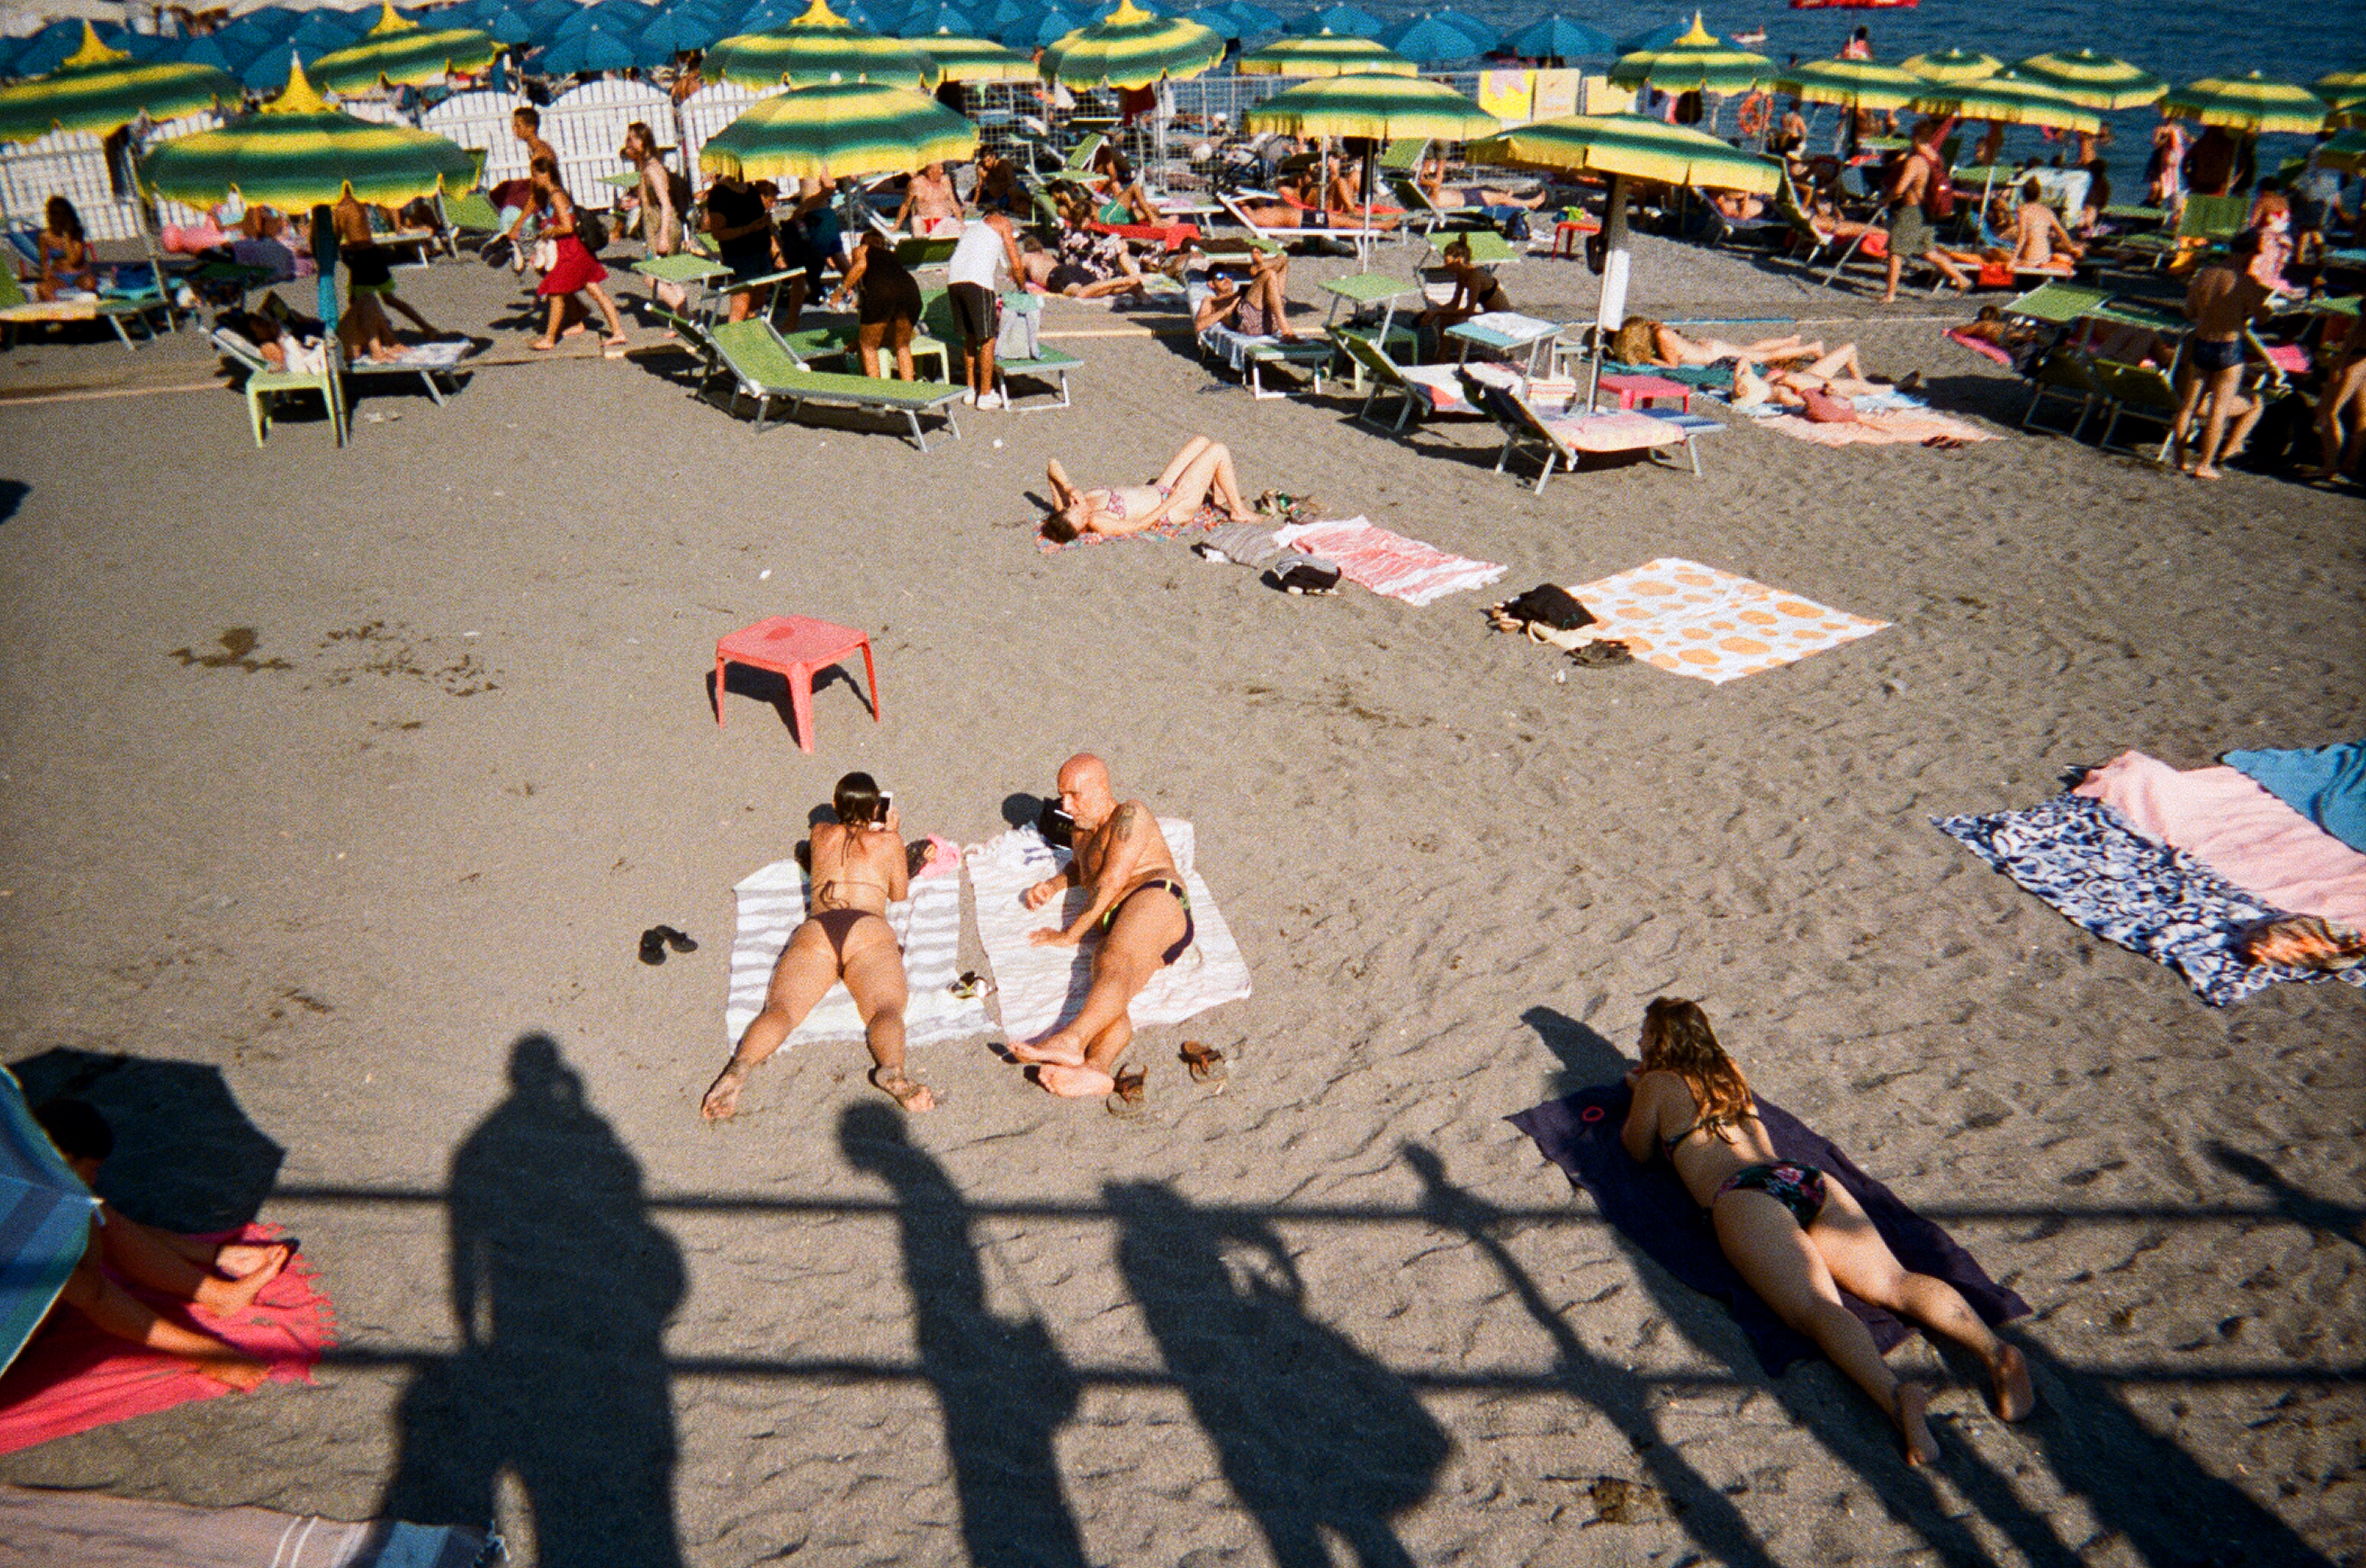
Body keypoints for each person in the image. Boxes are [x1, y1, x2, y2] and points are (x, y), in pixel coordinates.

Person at [1619, 998, 2034, 1465]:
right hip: (1801, 1178)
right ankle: (1996, 1351)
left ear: (1660, 1040)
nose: (1638, 1040)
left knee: (1817, 1308)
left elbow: (1637, 1150)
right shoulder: (1728, 1070)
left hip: (1743, 1194)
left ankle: (1895, 1397)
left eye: (1644, 1033)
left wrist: (1638, 1092)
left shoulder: (1656, 1083)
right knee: (1894, 1282)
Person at [701, 773, 934, 1118]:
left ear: (836, 804)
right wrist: (892, 835)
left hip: (819, 930)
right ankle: (891, 1070)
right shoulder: (889, 842)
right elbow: (899, 895)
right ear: (876, 808)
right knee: (885, 1010)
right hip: (867, 930)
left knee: (781, 1010)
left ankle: (739, 1069)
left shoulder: (819, 833)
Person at [31, 1098, 292, 1390]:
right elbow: (92, 1291)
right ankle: (205, 1349)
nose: (95, 1178)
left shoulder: (20, 1179)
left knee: (92, 1209)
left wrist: (218, 1255)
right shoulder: (18, 1230)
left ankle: (217, 1290)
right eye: (92, 1169)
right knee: (75, 1236)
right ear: (64, 1157)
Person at [1005, 754, 1194, 1099]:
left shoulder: (1130, 815)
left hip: (1154, 895)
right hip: (1121, 920)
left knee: (1114, 959)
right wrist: (1053, 885)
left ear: (1101, 787)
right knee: (1110, 987)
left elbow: (1111, 881)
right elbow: (1085, 870)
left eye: (1074, 795)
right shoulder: (1080, 832)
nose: (1066, 805)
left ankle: (1071, 1039)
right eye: (1062, 795)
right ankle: (1096, 1067)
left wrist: (1071, 934)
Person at [2171, 230, 2276, 479]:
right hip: (2228, 346)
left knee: (2188, 406)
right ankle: (2205, 464)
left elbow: (2189, 311)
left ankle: (2179, 459)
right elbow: (2262, 317)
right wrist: (2267, 306)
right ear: (2252, 252)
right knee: (2219, 409)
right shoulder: (2246, 282)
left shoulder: (2204, 274)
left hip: (2202, 341)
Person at [1040, 435, 1258, 542]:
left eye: (1074, 511)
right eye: (1081, 519)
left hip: (1160, 488)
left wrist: (1070, 488)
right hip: (1173, 507)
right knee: (1218, 450)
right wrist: (1173, 500)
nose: (1082, 511)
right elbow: (1139, 526)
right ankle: (1238, 510)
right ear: (1080, 530)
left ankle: (1219, 496)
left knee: (1202, 441)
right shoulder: (1099, 521)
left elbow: (1052, 466)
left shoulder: (1076, 501)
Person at [528, 156, 628, 351]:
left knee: (556, 292)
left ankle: (549, 338)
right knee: (595, 291)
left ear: (546, 174)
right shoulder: (557, 193)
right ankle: (616, 331)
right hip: (576, 250)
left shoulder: (556, 196)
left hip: (570, 252)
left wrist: (549, 231)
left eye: (535, 174)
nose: (533, 179)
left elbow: (567, 226)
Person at [1883, 117, 1970, 303]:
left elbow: (1900, 189)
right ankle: (1962, 279)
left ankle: (1890, 294)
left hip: (1911, 210)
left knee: (1895, 252)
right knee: (1929, 252)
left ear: (1915, 136)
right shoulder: (1935, 157)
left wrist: (1886, 200)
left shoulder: (1916, 161)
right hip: (1927, 211)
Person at [946, 211, 1023, 410]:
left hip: (954, 281)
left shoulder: (973, 230)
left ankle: (970, 390)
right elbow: (1016, 264)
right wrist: (1023, 287)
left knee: (970, 336)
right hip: (977, 282)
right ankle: (986, 395)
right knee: (988, 338)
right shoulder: (1002, 222)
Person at [827, 229, 923, 379]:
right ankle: (909, 391)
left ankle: (876, 392)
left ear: (864, 242)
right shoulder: (891, 256)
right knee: (903, 346)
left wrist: (840, 292)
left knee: (868, 346)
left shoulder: (862, 249)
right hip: (910, 290)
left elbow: (860, 266)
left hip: (883, 291)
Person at [622, 121, 690, 311]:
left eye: (632, 140)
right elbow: (655, 199)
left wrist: (663, 237)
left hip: (663, 228)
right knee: (669, 278)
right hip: (659, 226)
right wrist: (637, 202)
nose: (628, 144)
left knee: (651, 278)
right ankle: (684, 316)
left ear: (643, 142)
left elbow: (666, 204)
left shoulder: (652, 169)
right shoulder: (645, 166)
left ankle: (686, 316)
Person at [702, 168, 781, 324]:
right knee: (740, 305)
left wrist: (765, 224)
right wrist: (749, 229)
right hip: (740, 256)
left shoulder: (750, 189)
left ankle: (751, 334)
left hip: (761, 252)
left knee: (757, 303)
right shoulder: (720, 193)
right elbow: (718, 233)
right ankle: (735, 337)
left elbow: (757, 218)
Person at [1611, 316, 1831, 371]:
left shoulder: (1662, 337)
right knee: (1751, 349)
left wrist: (1649, 360)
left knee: (1764, 357)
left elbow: (1673, 365)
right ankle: (1791, 341)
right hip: (1708, 348)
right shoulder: (1656, 328)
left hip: (1710, 354)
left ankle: (1811, 348)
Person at [495, 106, 560, 271]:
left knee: (509, 214)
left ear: (531, 128)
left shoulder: (540, 154)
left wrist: (517, 227)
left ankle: (519, 247)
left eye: (518, 126)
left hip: (552, 208)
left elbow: (537, 196)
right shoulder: (536, 148)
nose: (514, 129)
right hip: (549, 203)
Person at [1420, 235, 1512, 341]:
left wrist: (1438, 312)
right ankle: (1443, 352)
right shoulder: (1462, 275)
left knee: (1459, 321)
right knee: (1445, 319)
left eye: (1447, 261)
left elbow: (1469, 311)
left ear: (1458, 260)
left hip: (1501, 319)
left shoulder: (1475, 277)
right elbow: (1454, 304)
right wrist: (1435, 311)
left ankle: (1459, 351)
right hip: (1489, 315)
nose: (1444, 265)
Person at [1193, 255, 1295, 338]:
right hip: (1246, 319)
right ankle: (1286, 330)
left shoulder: (1238, 292)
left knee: (1283, 258)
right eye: (1220, 276)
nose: (1226, 279)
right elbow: (1198, 325)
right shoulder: (1211, 300)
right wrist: (1224, 311)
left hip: (1269, 320)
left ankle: (1261, 266)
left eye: (1229, 275)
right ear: (1211, 284)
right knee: (1269, 274)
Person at [2008, 178, 2083, 272]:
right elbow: (2061, 232)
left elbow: (2022, 237)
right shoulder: (2046, 211)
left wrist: (2012, 260)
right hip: (2044, 257)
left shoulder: (2022, 210)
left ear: (2024, 194)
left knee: (2000, 255)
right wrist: (2071, 248)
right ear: (2039, 195)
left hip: (2030, 258)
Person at [33, 194, 97, 301]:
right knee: (42, 288)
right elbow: (44, 259)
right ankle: (58, 308)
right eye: (54, 214)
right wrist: (47, 273)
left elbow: (75, 261)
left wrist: (67, 238)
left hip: (79, 275)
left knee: (89, 284)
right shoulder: (45, 236)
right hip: (60, 276)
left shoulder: (76, 232)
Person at [1087, 141, 1161, 227]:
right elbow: (1100, 194)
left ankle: (1158, 221)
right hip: (1108, 214)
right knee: (1134, 187)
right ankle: (1154, 220)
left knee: (1153, 209)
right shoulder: (1091, 176)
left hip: (1112, 213)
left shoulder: (1092, 170)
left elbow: (1111, 179)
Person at [894, 161, 963, 237]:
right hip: (924, 221)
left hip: (943, 221)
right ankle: (921, 242)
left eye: (942, 168)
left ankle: (936, 237)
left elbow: (953, 203)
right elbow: (906, 205)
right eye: (939, 169)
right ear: (929, 171)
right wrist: (896, 226)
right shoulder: (916, 183)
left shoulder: (945, 181)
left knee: (949, 223)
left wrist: (961, 223)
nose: (942, 171)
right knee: (916, 221)